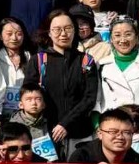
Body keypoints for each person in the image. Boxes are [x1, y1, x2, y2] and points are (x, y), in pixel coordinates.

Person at [37, 10, 100, 155]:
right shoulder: (38, 61)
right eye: (57, 29)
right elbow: (31, 94)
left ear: (74, 30)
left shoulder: (86, 61)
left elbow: (89, 98)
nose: (63, 34)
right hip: (46, 134)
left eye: (68, 28)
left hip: (79, 133)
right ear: (49, 33)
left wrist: (65, 124)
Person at [67, 108, 139, 164]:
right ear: (99, 133)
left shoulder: (136, 161)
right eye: (113, 132)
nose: (120, 137)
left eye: (126, 132)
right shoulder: (82, 158)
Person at [8, 85, 59, 161]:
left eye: (38, 99)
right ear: (21, 105)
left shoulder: (51, 123)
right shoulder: (12, 126)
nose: (34, 103)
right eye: (29, 99)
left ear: (44, 104)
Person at [0, 16, 32, 119]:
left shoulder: (31, 58)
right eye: (9, 34)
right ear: (0, 36)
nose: (14, 38)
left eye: (19, 34)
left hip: (24, 115)